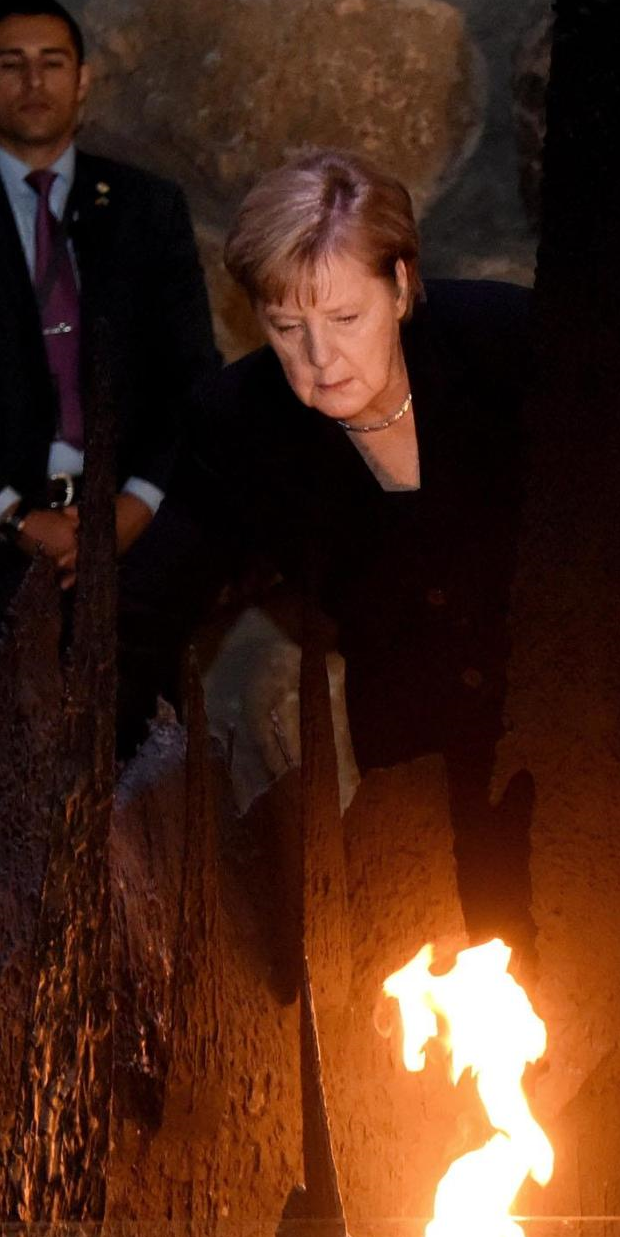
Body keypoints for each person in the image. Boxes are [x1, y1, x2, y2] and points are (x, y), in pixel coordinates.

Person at [0, 0, 217, 831]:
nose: (34, 82)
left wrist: (130, 510)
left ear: (84, 80)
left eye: (52, 63)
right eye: (10, 64)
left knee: (136, 806)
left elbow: (192, 380)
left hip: (127, 560)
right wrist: (18, 519)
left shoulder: (145, 212)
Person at [124, 150, 535, 780]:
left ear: (398, 287)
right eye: (287, 327)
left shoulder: (508, 341)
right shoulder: (240, 423)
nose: (320, 356)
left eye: (345, 318)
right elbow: (145, 608)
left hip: (578, 720)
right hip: (413, 758)